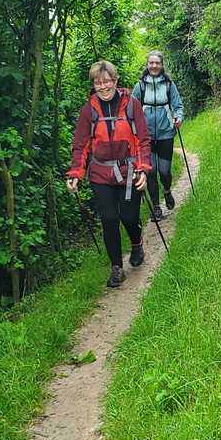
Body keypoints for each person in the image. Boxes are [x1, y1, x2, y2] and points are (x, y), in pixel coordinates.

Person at [66, 60, 151, 288]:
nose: (103, 87)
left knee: (129, 217)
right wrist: (75, 173)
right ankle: (116, 268)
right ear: (93, 85)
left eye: (107, 81)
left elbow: (143, 139)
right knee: (109, 219)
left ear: (115, 80)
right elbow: (81, 145)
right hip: (101, 174)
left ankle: (137, 244)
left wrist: (143, 169)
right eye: (98, 83)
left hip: (129, 171)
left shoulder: (131, 104)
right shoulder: (89, 110)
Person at [132, 50, 185, 221]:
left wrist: (178, 117)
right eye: (151, 63)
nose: (154, 66)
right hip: (145, 136)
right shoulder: (140, 86)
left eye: (157, 63)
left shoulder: (169, 84)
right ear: (147, 65)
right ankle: (156, 208)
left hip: (165, 133)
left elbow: (178, 105)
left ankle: (167, 191)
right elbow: (131, 108)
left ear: (162, 65)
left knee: (164, 171)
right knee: (151, 172)